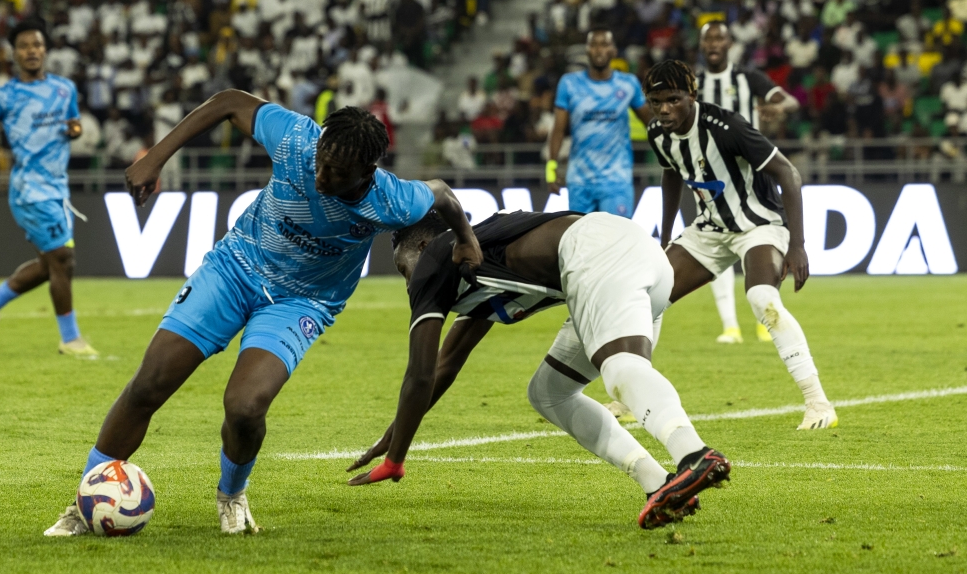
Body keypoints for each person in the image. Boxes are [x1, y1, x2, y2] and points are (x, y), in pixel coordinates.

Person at [43, 90, 481, 536]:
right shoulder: (297, 140)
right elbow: (228, 102)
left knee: (246, 407)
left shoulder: (392, 200)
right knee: (151, 382)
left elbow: (443, 195)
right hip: (235, 269)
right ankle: (84, 504)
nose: (321, 173)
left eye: (336, 171)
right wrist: (155, 158)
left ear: (368, 172)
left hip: (303, 301)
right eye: (320, 161)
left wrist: (466, 239)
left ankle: (231, 495)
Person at [346, 209, 731, 529]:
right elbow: (447, 364)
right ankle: (658, 484)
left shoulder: (436, 259)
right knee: (549, 393)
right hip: (632, 254)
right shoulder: (475, 262)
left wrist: (396, 459)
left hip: (598, 251)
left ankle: (694, 455)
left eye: (402, 268)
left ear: (423, 246)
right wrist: (394, 434)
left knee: (619, 368)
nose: (407, 280)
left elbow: (421, 372)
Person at [644, 60, 836, 430]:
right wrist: (666, 234)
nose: (664, 109)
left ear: (692, 95)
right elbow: (671, 175)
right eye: (656, 102)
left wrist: (798, 245)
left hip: (758, 224)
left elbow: (788, 174)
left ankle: (818, 403)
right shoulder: (657, 132)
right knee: (648, 294)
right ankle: (628, 397)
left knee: (762, 298)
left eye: (673, 99)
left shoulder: (726, 126)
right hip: (710, 228)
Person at [0, 19, 97, 357]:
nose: (31, 51)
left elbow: (74, 124)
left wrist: (75, 130)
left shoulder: (64, 89)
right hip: (29, 189)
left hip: (58, 188)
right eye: (24, 46)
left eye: (37, 45)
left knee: (51, 264)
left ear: (45, 50)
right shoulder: (4, 96)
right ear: (14, 53)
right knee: (63, 259)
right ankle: (70, 339)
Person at [696, 20, 800, 345]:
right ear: (702, 46)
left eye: (719, 39)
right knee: (719, 243)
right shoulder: (694, 84)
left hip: (751, 177)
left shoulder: (748, 78)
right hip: (708, 178)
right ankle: (730, 326)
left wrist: (777, 108)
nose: (714, 44)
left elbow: (791, 101)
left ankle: (763, 318)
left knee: (756, 241)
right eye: (708, 39)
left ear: (729, 45)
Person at [547, 29, 654, 217]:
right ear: (587, 50)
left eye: (604, 44)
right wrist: (551, 167)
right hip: (580, 180)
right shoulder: (569, 83)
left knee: (616, 241)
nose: (599, 50)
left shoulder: (628, 84)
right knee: (581, 243)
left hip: (617, 181)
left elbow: (651, 123)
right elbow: (558, 129)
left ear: (613, 50)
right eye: (594, 44)